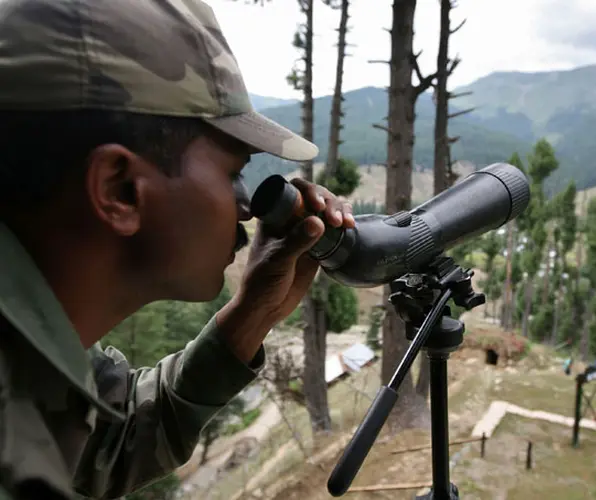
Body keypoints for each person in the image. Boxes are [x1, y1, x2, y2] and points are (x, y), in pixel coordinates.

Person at [0, 0, 355, 498]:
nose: (247, 208)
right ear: (121, 190)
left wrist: (252, 313)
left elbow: (111, 438)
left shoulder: (30, 359)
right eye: (233, 174)